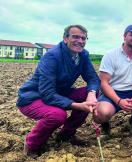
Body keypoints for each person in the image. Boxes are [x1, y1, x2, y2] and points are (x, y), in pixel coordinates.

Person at [16, 25, 100, 157]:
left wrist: (91, 95)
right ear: (65, 38)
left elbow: (93, 78)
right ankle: (32, 144)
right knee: (57, 115)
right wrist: (77, 106)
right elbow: (47, 93)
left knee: (91, 92)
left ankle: (66, 134)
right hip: (33, 98)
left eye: (83, 38)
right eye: (75, 37)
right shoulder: (52, 56)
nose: (80, 41)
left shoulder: (83, 55)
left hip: (59, 93)